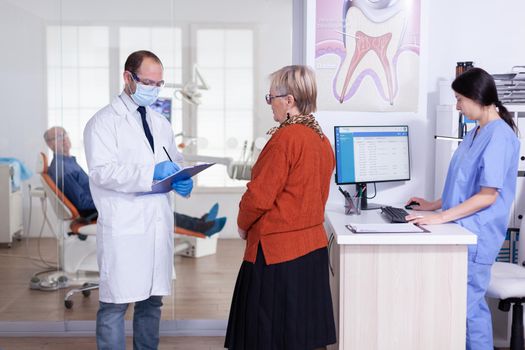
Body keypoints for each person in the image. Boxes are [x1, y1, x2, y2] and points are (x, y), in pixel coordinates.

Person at [83, 50, 202, 350]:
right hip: (124, 227)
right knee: (114, 306)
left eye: (159, 83)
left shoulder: (159, 122)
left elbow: (175, 160)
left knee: (152, 303)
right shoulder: (103, 122)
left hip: (156, 225)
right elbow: (102, 172)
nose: (153, 88)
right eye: (148, 82)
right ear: (127, 77)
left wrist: (184, 178)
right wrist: (151, 171)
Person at [405, 67, 520, 350]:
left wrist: (441, 217)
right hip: (460, 229)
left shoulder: (500, 136)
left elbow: (487, 196)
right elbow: (462, 183)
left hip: (477, 235)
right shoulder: (474, 133)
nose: (456, 106)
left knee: (468, 308)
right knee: (458, 304)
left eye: (459, 99)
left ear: (476, 96)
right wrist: (433, 205)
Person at [225, 65, 336, 350]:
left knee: (264, 337)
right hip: (311, 251)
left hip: (276, 254)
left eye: (271, 96)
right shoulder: (322, 141)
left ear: (289, 101)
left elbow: (259, 196)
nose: (270, 103)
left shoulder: (285, 139)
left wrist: (242, 224)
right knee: (302, 337)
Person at [43, 126, 226, 236]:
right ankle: (202, 227)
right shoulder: (62, 169)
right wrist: (112, 195)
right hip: (98, 211)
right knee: (152, 208)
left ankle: (199, 222)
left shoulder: (69, 162)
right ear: (50, 144)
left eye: (64, 134)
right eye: (57, 138)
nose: (64, 140)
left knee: (153, 201)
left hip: (103, 203)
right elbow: (83, 203)